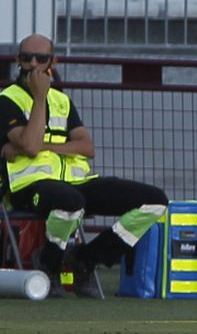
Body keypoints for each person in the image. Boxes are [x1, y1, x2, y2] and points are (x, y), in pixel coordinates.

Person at [0, 33, 168, 296]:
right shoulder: (7, 100)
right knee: (70, 201)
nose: (33, 64)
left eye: (41, 58)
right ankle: (49, 265)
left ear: (52, 62)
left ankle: (86, 258)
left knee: (155, 201)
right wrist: (39, 98)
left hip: (76, 183)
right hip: (29, 186)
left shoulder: (62, 101)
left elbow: (86, 147)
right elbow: (30, 146)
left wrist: (44, 144)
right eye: (26, 58)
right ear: (18, 61)